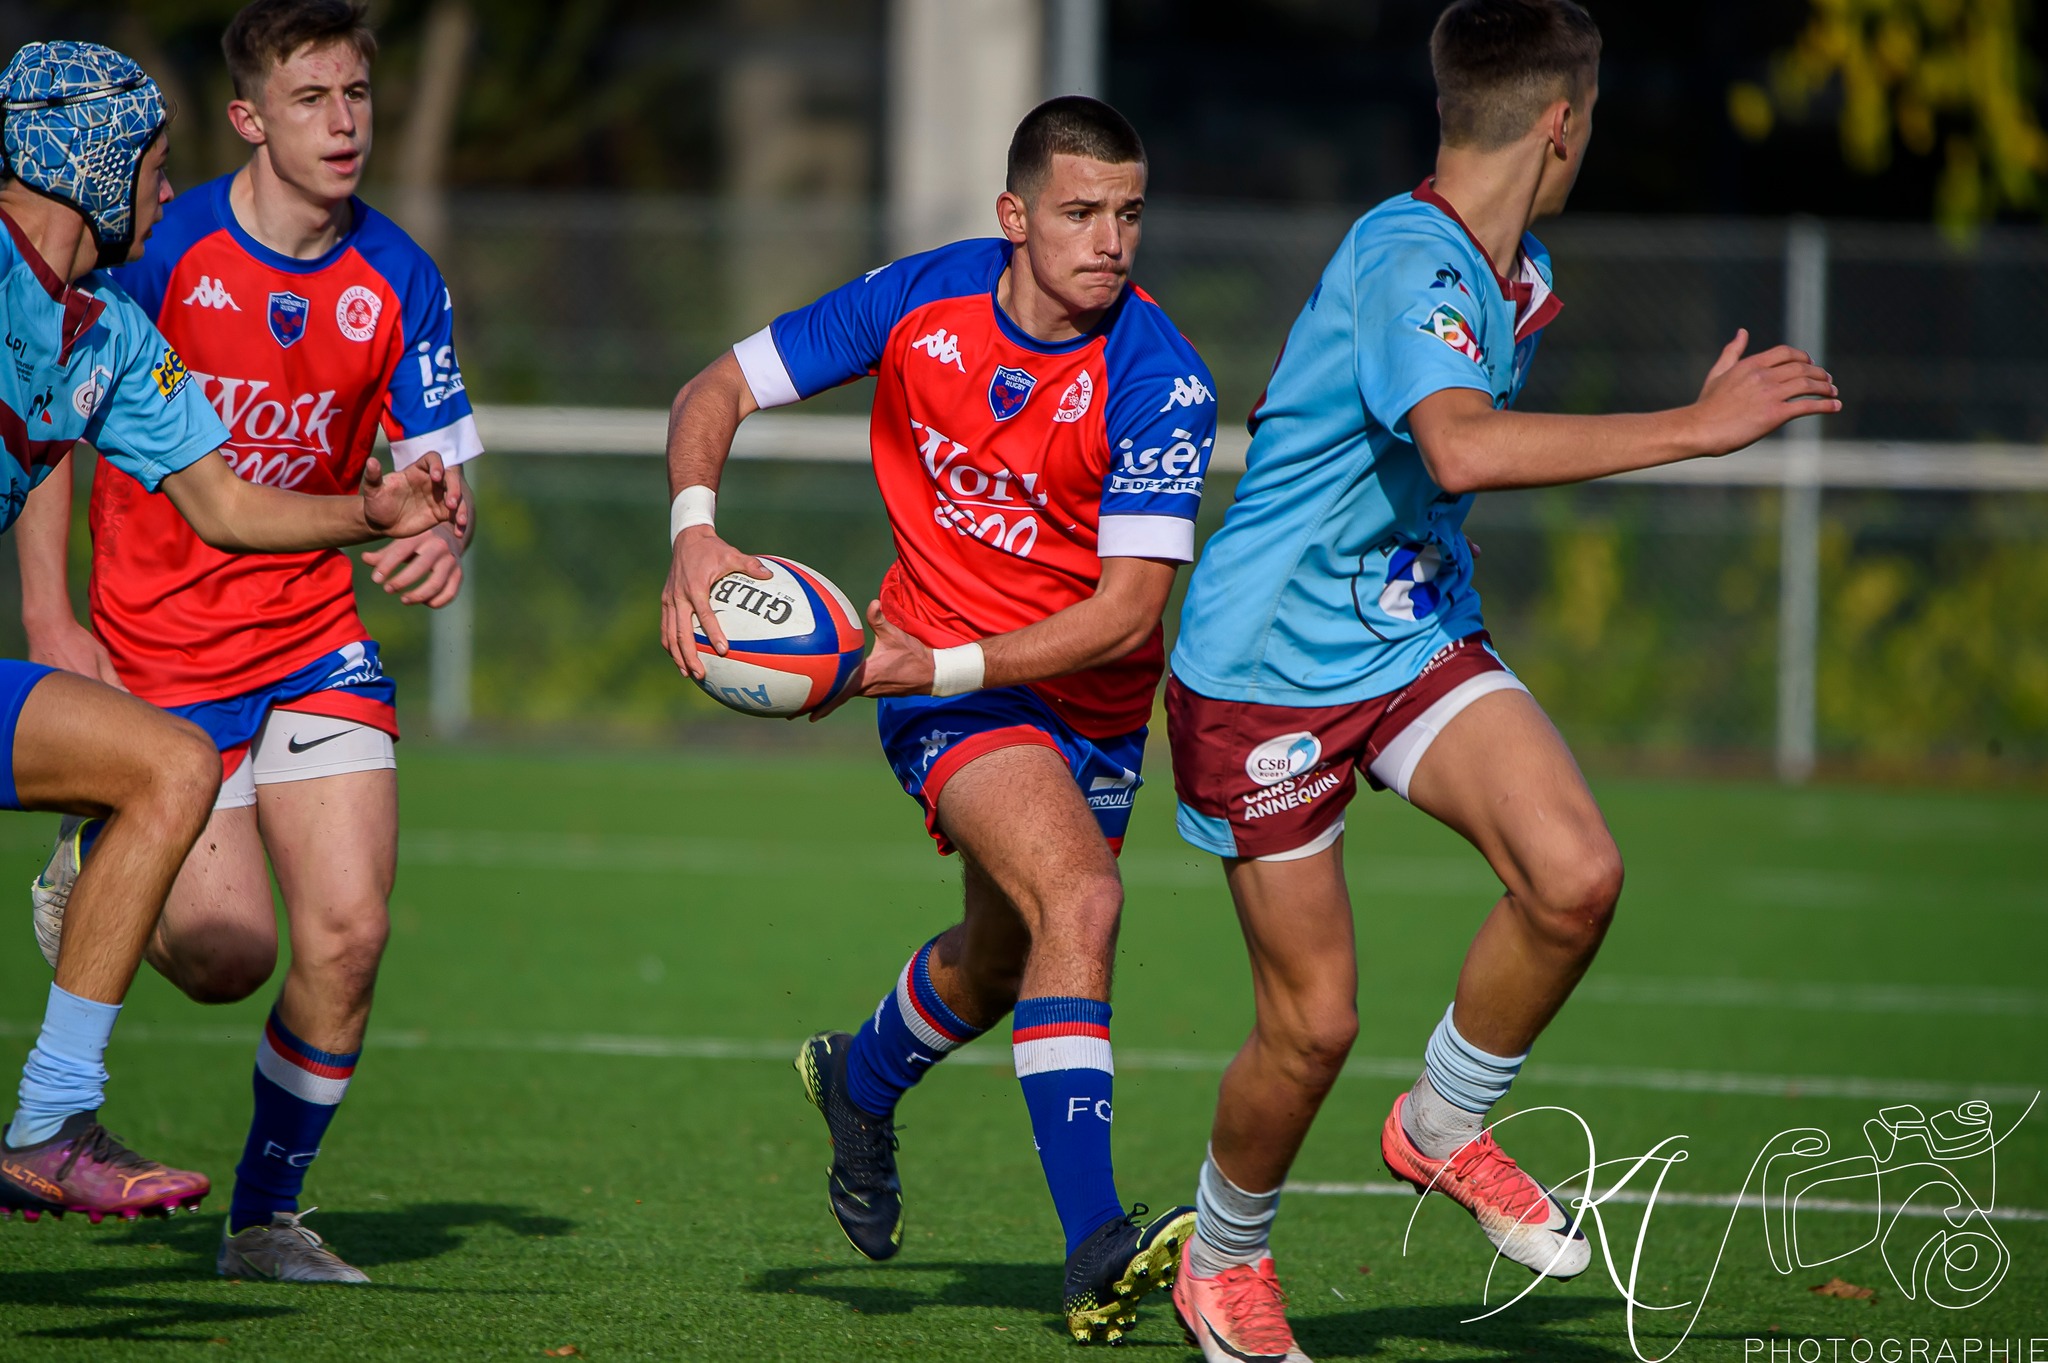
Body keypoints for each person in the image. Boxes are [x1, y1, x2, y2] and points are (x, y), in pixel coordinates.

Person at [1159, 3, 1843, 1358]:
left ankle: (1442, 1118)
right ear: (1562, 123)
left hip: (1408, 634)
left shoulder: (1512, 266)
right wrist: (1698, 429)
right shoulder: (1410, 259)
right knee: (1313, 1027)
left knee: (1575, 872)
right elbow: (1462, 446)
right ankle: (1222, 1255)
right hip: (1264, 674)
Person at [660, 96, 1218, 1345]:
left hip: (1081, 698)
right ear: (1013, 217)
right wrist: (693, 537)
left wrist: (942, 661)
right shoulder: (917, 300)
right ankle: (1093, 1249)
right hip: (939, 688)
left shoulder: (1158, 375)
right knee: (1082, 901)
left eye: (1129, 213)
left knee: (1008, 956)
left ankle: (857, 1079)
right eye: (1079, 212)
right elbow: (716, 388)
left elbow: (1129, 615)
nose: (1110, 240)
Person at [18, 0, 481, 1283]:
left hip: (313, 639)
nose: (344, 124)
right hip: (157, 650)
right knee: (230, 959)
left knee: (349, 934)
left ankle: (265, 1217)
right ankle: (98, 866)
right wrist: (53, 616)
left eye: (359, 97)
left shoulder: (401, 273)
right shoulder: (161, 249)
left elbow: (441, 476)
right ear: (250, 118)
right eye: (313, 100)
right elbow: (48, 415)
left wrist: (442, 531)